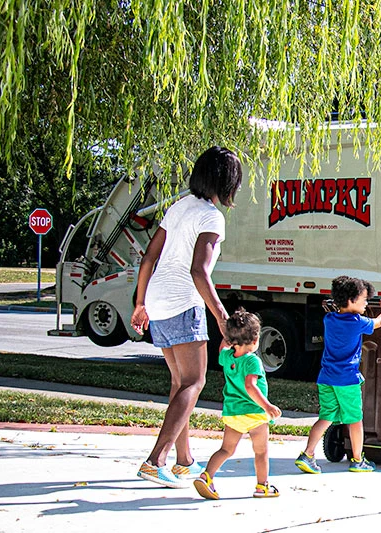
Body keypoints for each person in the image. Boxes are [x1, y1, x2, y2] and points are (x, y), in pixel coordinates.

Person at [131, 146, 242, 488]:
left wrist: (140, 304)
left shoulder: (178, 207)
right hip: (182, 302)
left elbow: (148, 258)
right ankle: (155, 460)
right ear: (226, 182)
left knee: (180, 384)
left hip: (157, 300)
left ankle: (184, 460)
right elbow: (199, 271)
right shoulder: (211, 217)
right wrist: (223, 319)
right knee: (195, 382)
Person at [295, 276, 381, 474]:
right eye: (364, 299)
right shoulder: (357, 322)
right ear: (351, 300)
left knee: (326, 417)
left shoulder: (329, 319)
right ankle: (358, 460)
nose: (366, 303)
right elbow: (378, 323)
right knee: (355, 420)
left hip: (326, 378)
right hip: (347, 380)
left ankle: (307, 454)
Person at [193, 308, 282, 499]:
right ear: (256, 339)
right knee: (261, 452)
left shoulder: (227, 357)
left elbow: (222, 348)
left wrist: (229, 336)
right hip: (254, 413)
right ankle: (262, 486)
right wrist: (267, 406)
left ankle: (206, 476)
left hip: (232, 412)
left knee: (226, 449)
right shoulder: (253, 361)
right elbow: (250, 386)